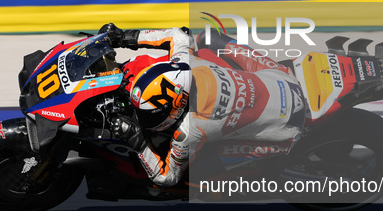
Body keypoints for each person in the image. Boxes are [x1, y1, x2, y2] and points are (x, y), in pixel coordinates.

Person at [102, 23, 306, 187]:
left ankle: (249, 180)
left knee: (197, 174)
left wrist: (138, 141)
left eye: (149, 115)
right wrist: (124, 37)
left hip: (286, 130)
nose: (142, 118)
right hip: (283, 79)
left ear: (177, 107)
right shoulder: (185, 62)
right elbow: (179, 36)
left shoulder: (191, 129)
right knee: (206, 38)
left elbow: (167, 178)